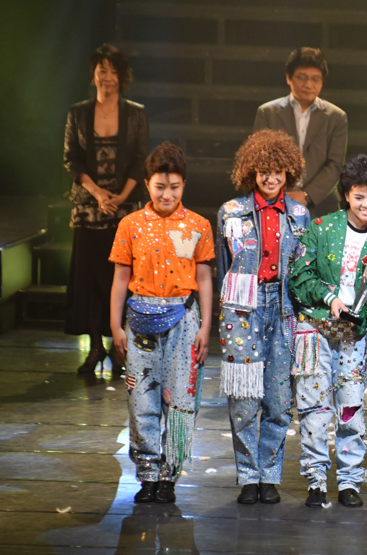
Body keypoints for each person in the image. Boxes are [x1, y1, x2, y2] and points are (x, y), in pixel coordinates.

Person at [109, 142, 214, 504]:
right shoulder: (130, 225)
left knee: (182, 401)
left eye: (174, 187)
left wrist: (205, 326)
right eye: (159, 187)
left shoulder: (198, 225)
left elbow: (204, 279)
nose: (167, 195)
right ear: (146, 184)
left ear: (184, 184)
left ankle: (170, 475)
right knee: (142, 399)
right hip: (139, 319)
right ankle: (148, 474)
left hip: (184, 319)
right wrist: (115, 326)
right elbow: (121, 278)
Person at [215, 129, 310, 506]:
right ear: (250, 171)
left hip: (284, 307)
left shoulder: (299, 215)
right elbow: (223, 265)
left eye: (278, 171)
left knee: (278, 398)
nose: (271, 178)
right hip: (243, 309)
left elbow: (303, 269)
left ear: (289, 172)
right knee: (243, 398)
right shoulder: (231, 211)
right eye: (264, 171)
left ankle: (269, 476)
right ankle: (248, 476)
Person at [289, 154, 367, 509]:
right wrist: (330, 298)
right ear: (346, 195)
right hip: (315, 328)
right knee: (314, 409)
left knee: (351, 408)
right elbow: (300, 276)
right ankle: (316, 480)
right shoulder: (321, 227)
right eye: (359, 196)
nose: (366, 204)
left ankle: (349, 482)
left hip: (354, 334)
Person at [64, 44, 148, 376]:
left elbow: (140, 160)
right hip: (88, 208)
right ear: (93, 73)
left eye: (114, 71)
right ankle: (96, 346)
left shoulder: (136, 113)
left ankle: (118, 347)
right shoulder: (78, 113)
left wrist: (119, 197)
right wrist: (98, 194)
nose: (107, 77)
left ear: (122, 76)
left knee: (121, 278)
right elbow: (71, 158)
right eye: (102, 70)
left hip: (124, 209)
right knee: (91, 280)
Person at [253, 47, 347, 219]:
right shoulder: (267, 113)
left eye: (315, 79)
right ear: (288, 77)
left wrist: (306, 195)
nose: (309, 84)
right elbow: (260, 160)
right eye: (302, 77)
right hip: (276, 202)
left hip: (322, 205)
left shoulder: (336, 117)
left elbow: (335, 165)